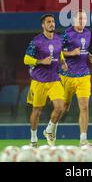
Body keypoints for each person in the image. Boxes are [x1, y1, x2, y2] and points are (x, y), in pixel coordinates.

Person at [23, 14, 68, 147]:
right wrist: (41, 61)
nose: (51, 24)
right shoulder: (36, 41)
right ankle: (33, 138)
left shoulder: (59, 39)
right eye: (48, 22)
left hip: (54, 79)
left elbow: (58, 52)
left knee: (60, 107)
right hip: (39, 81)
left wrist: (63, 61)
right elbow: (26, 59)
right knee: (37, 111)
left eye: (53, 22)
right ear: (43, 25)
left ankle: (49, 130)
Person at [59, 10, 92, 146]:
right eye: (80, 19)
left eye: (85, 19)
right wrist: (71, 53)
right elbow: (58, 51)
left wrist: (90, 56)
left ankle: (83, 140)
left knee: (84, 107)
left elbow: (84, 49)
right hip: (67, 76)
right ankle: (51, 128)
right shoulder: (67, 34)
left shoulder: (88, 33)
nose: (83, 21)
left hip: (84, 75)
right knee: (63, 108)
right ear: (74, 20)